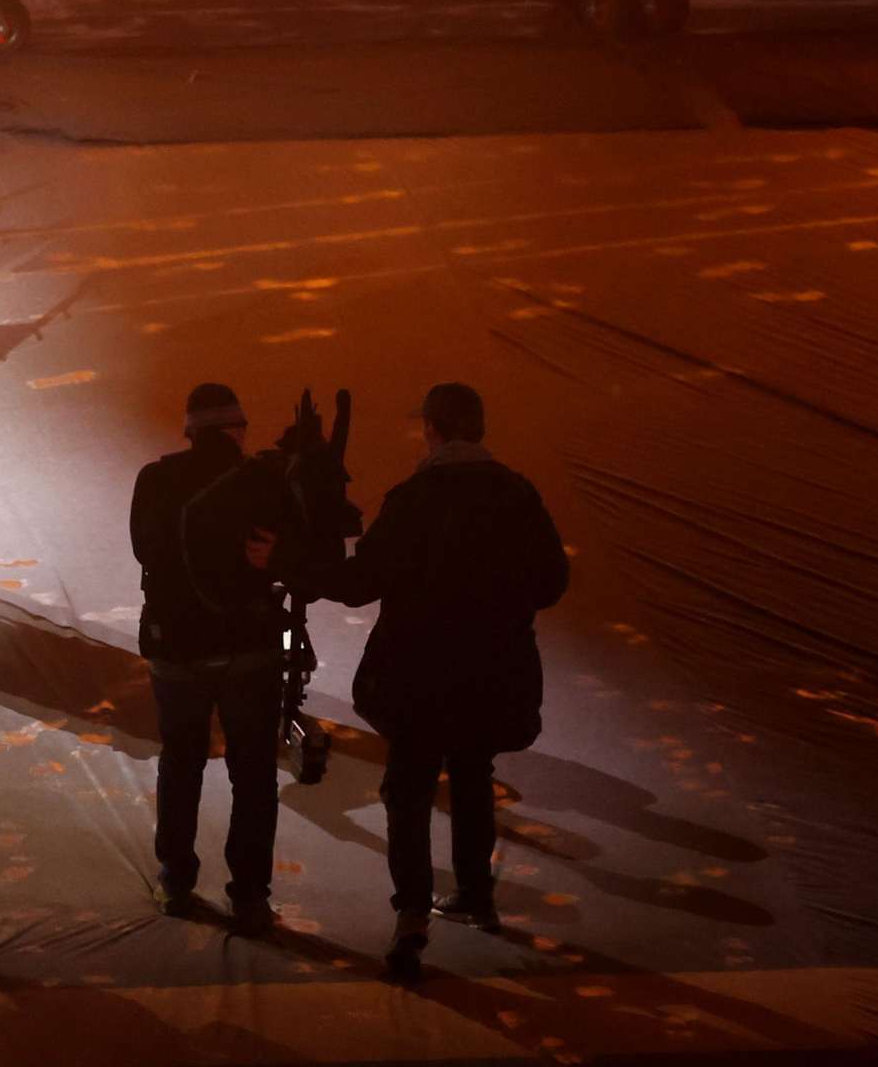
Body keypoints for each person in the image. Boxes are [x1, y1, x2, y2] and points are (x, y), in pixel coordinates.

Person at [326, 381, 571, 984]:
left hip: (416, 672)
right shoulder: (516, 494)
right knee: (471, 776)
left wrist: (294, 562)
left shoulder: (413, 498)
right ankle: (477, 897)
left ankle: (412, 916)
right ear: (479, 429)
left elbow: (361, 583)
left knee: (408, 790)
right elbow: (551, 583)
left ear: (432, 429)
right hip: (490, 670)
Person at [129, 382, 295, 932]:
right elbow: (299, 550)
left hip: (178, 648)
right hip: (250, 647)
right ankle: (249, 895)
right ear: (237, 430)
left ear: (191, 430)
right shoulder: (267, 480)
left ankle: (176, 880)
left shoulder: (155, 479)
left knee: (182, 761)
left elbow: (146, 550)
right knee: (253, 773)